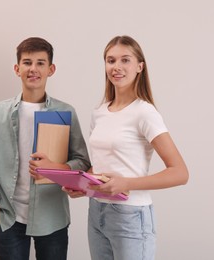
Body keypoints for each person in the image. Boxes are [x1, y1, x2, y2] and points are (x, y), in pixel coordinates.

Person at [64, 35, 189, 260]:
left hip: (131, 215)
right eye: (111, 61)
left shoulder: (145, 112)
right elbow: (102, 168)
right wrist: (84, 187)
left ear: (140, 66)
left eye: (125, 60)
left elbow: (180, 173)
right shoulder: (100, 112)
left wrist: (127, 183)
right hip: (97, 212)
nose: (117, 67)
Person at [0, 37, 91, 260]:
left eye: (40, 63)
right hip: (9, 217)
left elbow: (82, 161)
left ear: (51, 69)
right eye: (27, 62)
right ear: (17, 69)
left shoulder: (65, 112)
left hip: (52, 217)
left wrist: (54, 167)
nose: (33, 69)